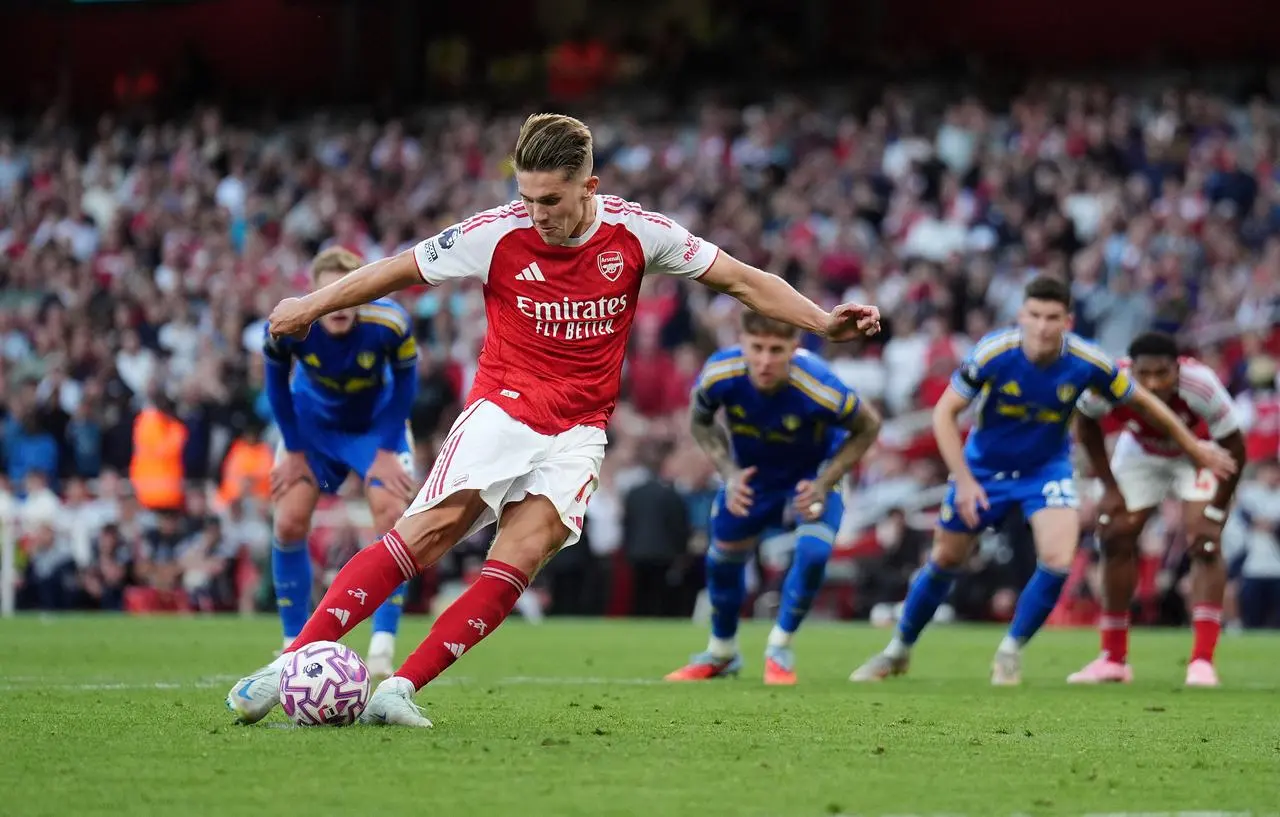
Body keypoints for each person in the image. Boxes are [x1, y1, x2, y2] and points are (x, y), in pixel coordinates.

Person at [225, 112, 881, 727]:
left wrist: (822, 321)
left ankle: (399, 689)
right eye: (527, 197)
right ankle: (285, 667)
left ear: (588, 188)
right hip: (503, 410)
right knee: (427, 535)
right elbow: (397, 270)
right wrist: (312, 304)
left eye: (551, 200)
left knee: (519, 559)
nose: (536, 213)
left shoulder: (639, 233)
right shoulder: (495, 233)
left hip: (580, 431)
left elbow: (741, 279)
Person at [849, 277, 1236, 686]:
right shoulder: (994, 353)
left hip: (1046, 469)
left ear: (1067, 321)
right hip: (984, 468)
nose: (1042, 326)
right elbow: (944, 413)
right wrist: (963, 481)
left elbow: (1144, 402)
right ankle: (898, 650)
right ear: (1021, 315)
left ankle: (1010, 651)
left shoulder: (1088, 361)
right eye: (1034, 315)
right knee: (946, 558)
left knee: (1058, 559)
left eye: (1052, 318)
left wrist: (1194, 447)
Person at [664, 312, 880, 684]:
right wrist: (729, 473)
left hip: (811, 475)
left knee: (814, 552)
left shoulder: (820, 385)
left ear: (794, 349)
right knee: (722, 559)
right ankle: (721, 652)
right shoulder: (720, 373)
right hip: (753, 474)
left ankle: (780, 646)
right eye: (757, 348)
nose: (765, 360)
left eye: (776, 350)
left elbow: (869, 426)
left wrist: (825, 481)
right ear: (742, 343)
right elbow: (699, 419)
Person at [261, 247, 420, 679]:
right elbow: (275, 382)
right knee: (288, 521)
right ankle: (292, 646)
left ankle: (383, 647)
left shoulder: (390, 323)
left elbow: (407, 382)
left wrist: (386, 450)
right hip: (312, 428)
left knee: (394, 518)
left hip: (375, 428)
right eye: (330, 293)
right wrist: (294, 448)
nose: (340, 304)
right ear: (315, 295)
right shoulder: (290, 324)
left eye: (348, 291)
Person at [1067, 331, 1246, 687]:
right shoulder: (1109, 380)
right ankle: (1113, 659)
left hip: (1197, 453)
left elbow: (1235, 447)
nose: (1152, 383)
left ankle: (1202, 662)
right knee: (1114, 534)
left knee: (1204, 543)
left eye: (1162, 373)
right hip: (1141, 453)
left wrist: (1216, 512)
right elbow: (1085, 425)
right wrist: (1110, 487)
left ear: (1177, 369)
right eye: (1144, 374)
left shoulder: (1202, 385)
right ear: (1131, 370)